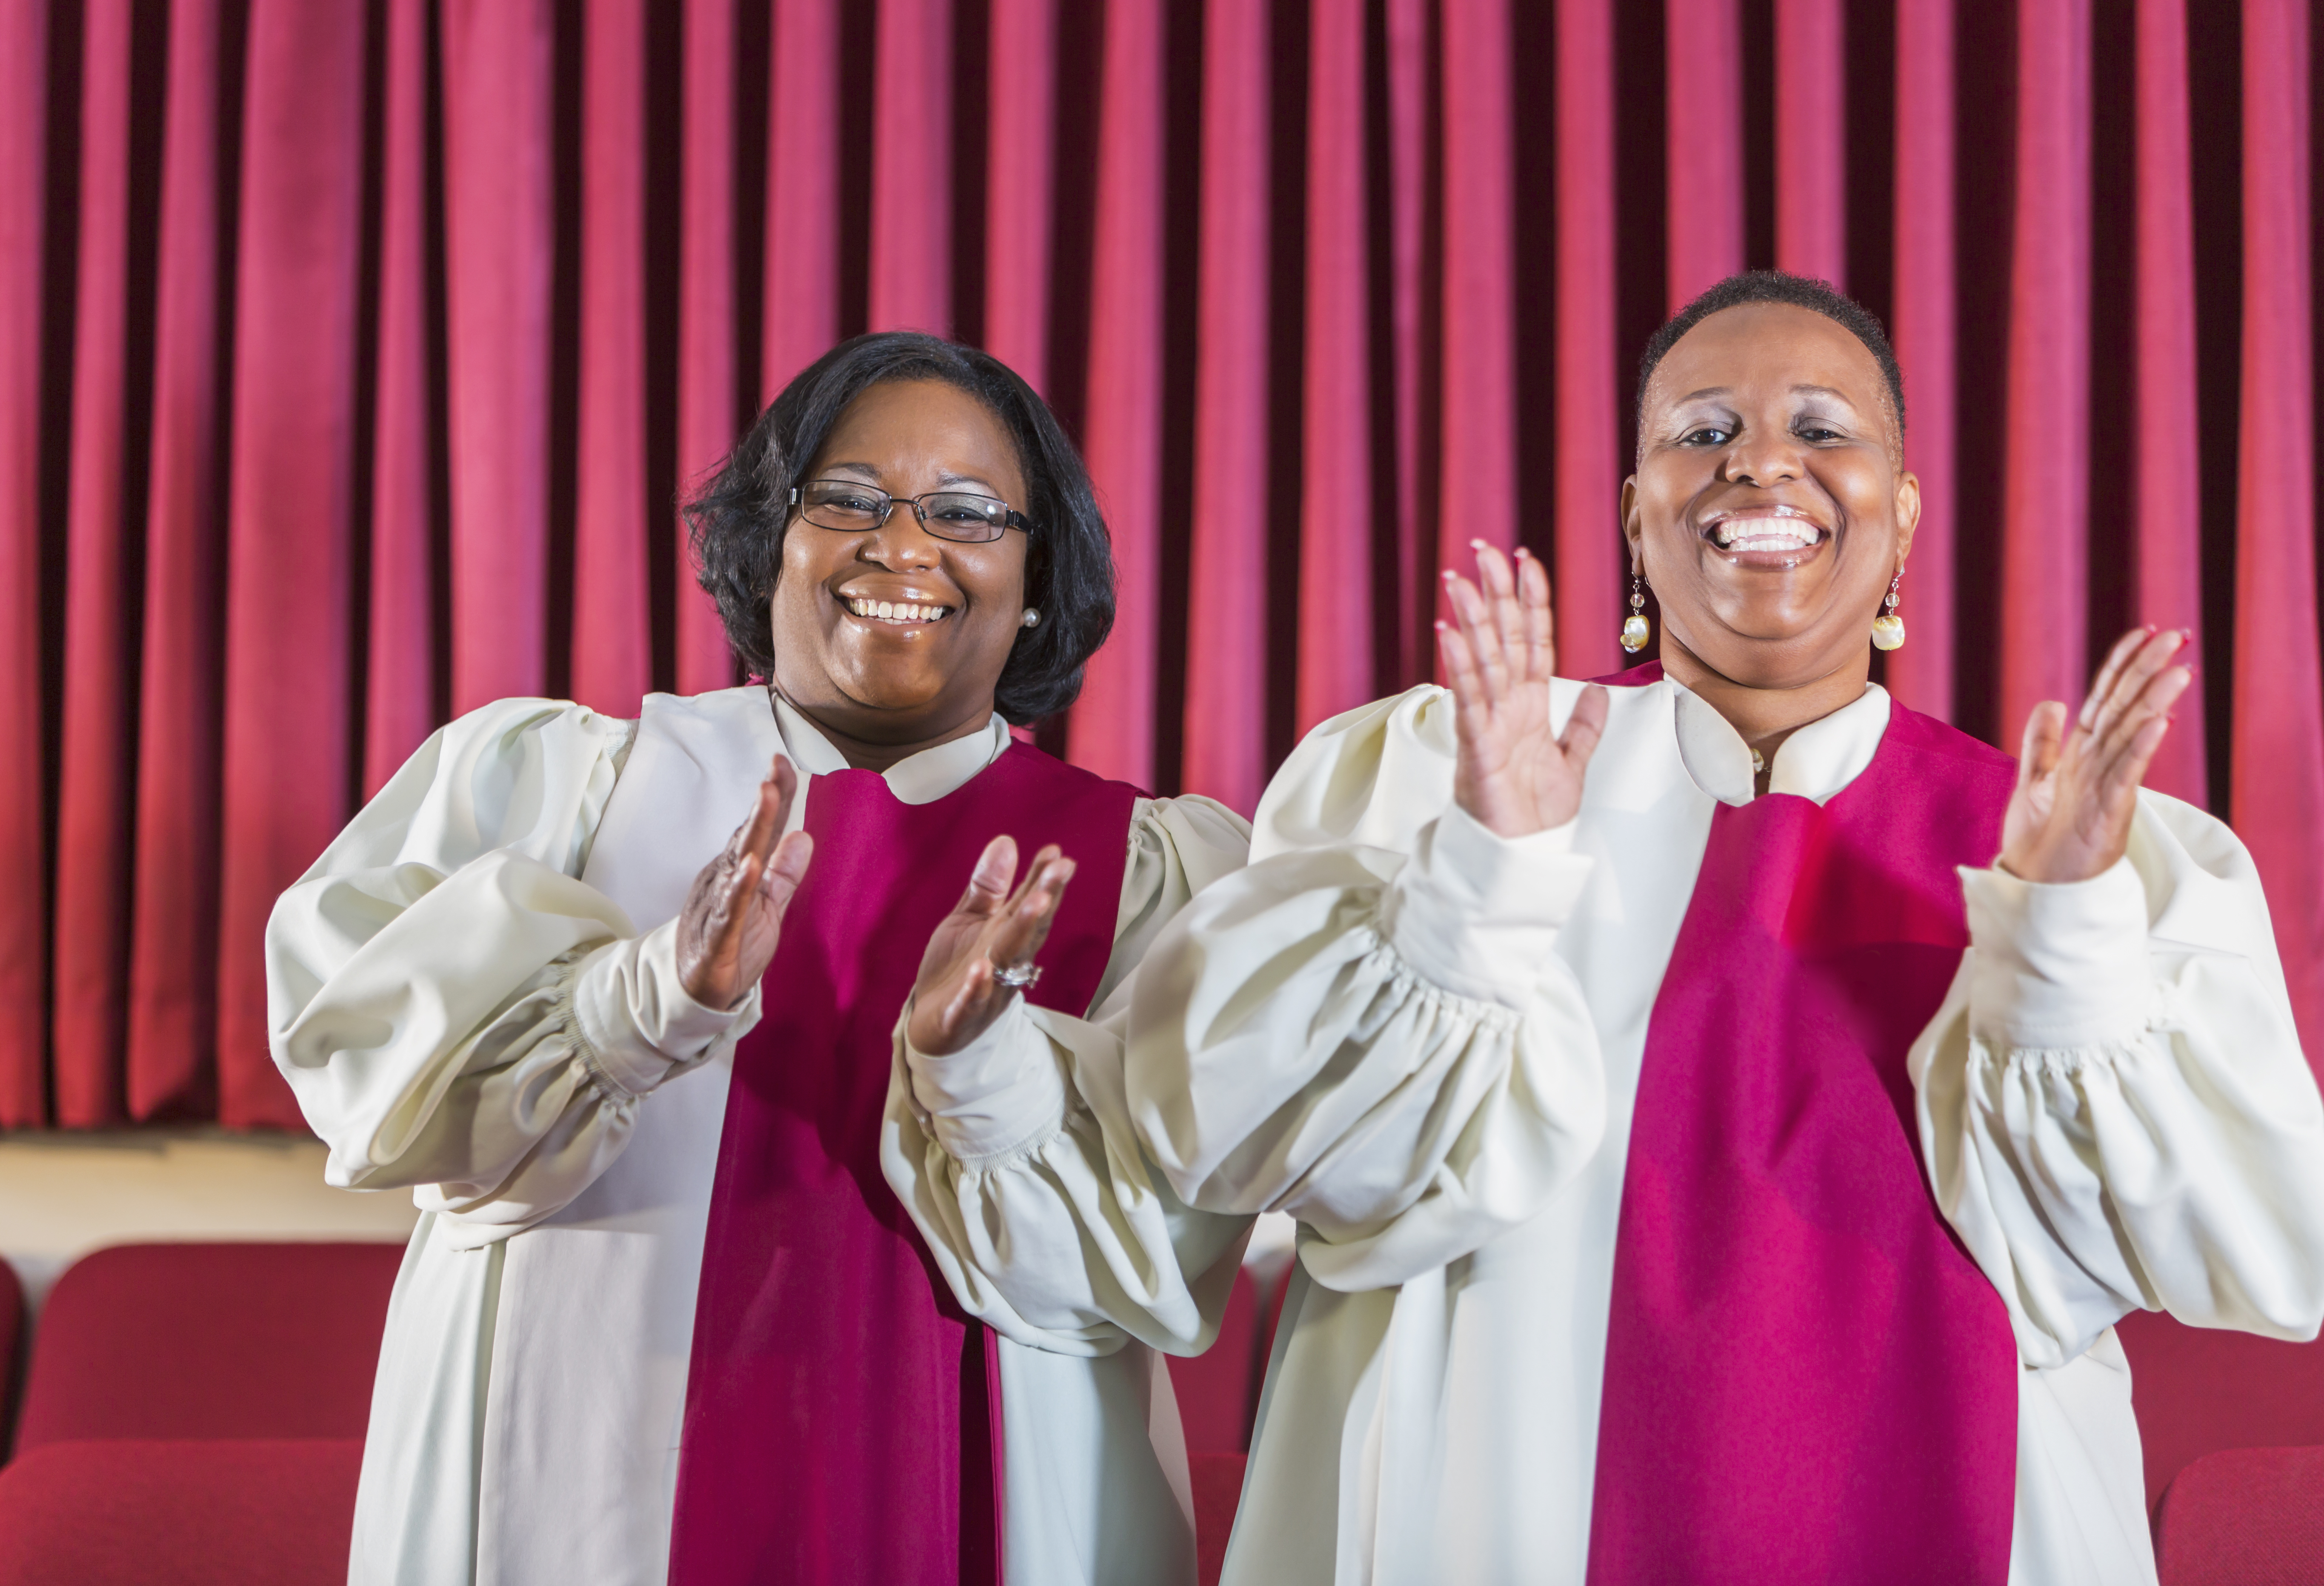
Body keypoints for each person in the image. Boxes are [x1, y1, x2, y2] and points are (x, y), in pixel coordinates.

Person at [884, 271, 2324, 1585]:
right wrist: (1479, 881)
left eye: (1824, 428)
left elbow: (2252, 1250)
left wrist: (2064, 938)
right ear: (1637, 517)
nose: (1763, 460)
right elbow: (1224, 1149)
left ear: (1903, 512)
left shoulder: (2099, 855)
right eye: (1704, 432)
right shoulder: (1423, 776)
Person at [269, 331, 1252, 1586]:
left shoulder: (1146, 873)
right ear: (763, 541)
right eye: (844, 499)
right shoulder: (561, 793)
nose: (901, 547)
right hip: (574, 1480)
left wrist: (982, 1075)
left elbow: (1166, 1250)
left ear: (1041, 575)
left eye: (966, 512)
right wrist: (642, 1003)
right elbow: (375, 1086)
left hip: (987, 1509)